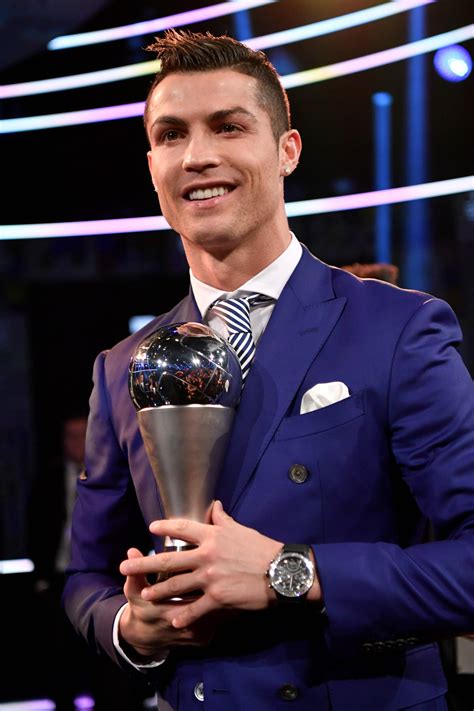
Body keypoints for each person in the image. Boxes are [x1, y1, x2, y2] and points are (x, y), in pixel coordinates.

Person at [63, 30, 474, 711]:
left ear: (287, 151)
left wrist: (293, 571)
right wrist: (131, 627)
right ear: (152, 163)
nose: (197, 156)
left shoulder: (398, 329)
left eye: (228, 127)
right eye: (171, 135)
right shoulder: (120, 367)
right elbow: (86, 575)